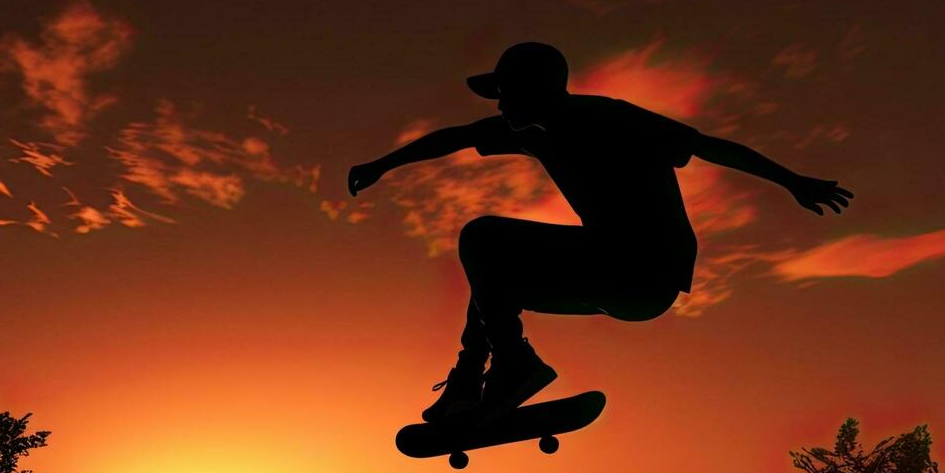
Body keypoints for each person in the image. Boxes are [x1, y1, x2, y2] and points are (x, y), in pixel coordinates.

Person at [348, 41, 853, 425]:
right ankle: (473, 382)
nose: (500, 106)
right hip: (614, 278)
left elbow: (706, 146)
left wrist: (792, 181)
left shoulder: (610, 118)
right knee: (493, 279)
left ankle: (512, 366)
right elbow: (456, 137)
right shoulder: (535, 133)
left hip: (644, 267)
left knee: (482, 238)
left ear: (535, 88)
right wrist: (382, 164)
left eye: (506, 93)